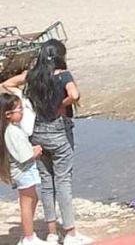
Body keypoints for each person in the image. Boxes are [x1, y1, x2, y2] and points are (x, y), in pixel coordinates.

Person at [25, 42, 91, 245]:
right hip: (58, 131)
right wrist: (60, 105)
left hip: (37, 132)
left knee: (46, 182)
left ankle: (52, 233)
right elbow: (74, 95)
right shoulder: (63, 75)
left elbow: (7, 84)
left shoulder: (33, 76)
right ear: (60, 56)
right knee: (63, 182)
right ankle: (70, 233)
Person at [1, 93, 48, 245]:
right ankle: (29, 237)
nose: (22, 112)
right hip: (23, 172)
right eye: (19, 109)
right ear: (8, 114)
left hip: (25, 171)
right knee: (27, 203)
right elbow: (24, 156)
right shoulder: (12, 132)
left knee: (32, 199)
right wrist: (36, 151)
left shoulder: (13, 129)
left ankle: (28, 234)